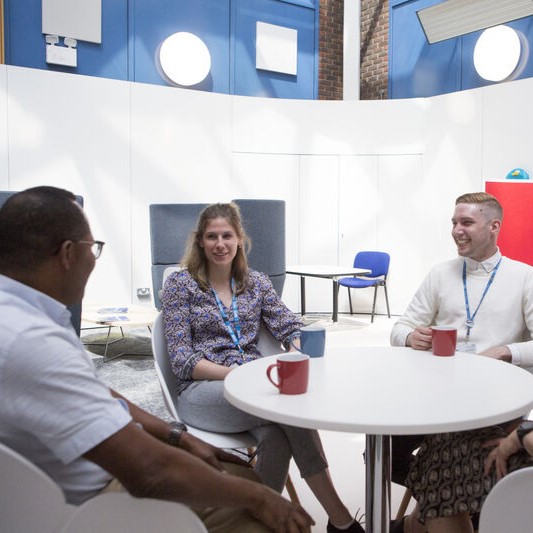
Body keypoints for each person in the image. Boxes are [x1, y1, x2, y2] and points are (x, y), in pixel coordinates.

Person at [0, 186, 315, 533]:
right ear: (68, 254)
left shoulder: (23, 319)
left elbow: (94, 391)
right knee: (263, 509)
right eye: (94, 248)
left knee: (265, 447)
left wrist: (176, 435)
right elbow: (149, 471)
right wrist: (260, 498)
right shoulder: (36, 342)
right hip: (94, 501)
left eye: (228, 236)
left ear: (240, 240)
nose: (94, 259)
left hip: (53, 489)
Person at [161, 202, 364, 533]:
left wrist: (297, 347)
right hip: (202, 391)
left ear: (240, 239)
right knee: (288, 411)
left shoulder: (255, 282)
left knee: (277, 436)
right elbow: (184, 360)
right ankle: (341, 521)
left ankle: (255, 524)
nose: (219, 244)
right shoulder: (181, 285)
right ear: (200, 241)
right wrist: (241, 376)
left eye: (227, 235)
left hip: (255, 388)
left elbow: (289, 325)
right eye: (211, 236)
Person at [389, 191, 533, 533]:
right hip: (443, 399)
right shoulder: (440, 274)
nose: (456, 230)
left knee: (444, 454)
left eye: (466, 222)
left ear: (494, 226)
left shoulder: (525, 276)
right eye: (454, 222)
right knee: (403, 447)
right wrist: (410, 337)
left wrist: (506, 351)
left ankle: (412, 526)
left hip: (499, 403)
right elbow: (399, 328)